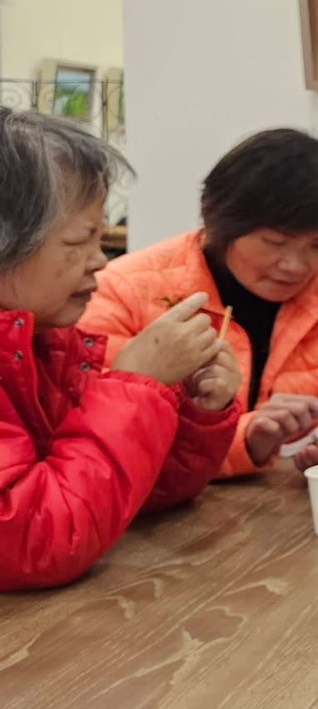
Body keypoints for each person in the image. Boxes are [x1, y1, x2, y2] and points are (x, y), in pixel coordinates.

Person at [81, 128, 318, 475]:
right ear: (220, 221)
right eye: (274, 242)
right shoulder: (125, 290)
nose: (294, 265)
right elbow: (95, 434)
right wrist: (245, 438)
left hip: (287, 515)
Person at [0, 109, 240, 591]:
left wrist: (195, 409)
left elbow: (126, 497)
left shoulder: (47, 343)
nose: (100, 262)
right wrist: (138, 387)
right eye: (79, 240)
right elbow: (37, 542)